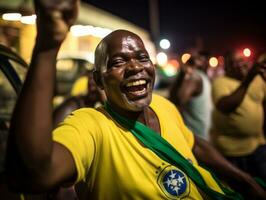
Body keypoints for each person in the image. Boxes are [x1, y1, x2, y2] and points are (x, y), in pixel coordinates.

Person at [5, 0, 266, 199]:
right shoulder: (92, 126)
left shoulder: (163, 106)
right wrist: (48, 44)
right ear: (98, 80)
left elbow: (193, 144)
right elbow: (36, 174)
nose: (135, 67)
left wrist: (243, 180)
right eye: (118, 62)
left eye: (142, 58)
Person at [211, 50, 266, 182]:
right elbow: (225, 107)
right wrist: (247, 81)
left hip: (258, 145)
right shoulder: (221, 82)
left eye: (241, 60)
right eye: (233, 63)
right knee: (241, 190)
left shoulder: (258, 79)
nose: (238, 65)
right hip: (233, 152)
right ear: (226, 67)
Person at [169, 53, 212, 140]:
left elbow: (179, 100)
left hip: (194, 135)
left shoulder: (194, 77)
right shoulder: (203, 77)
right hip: (200, 132)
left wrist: (183, 73)